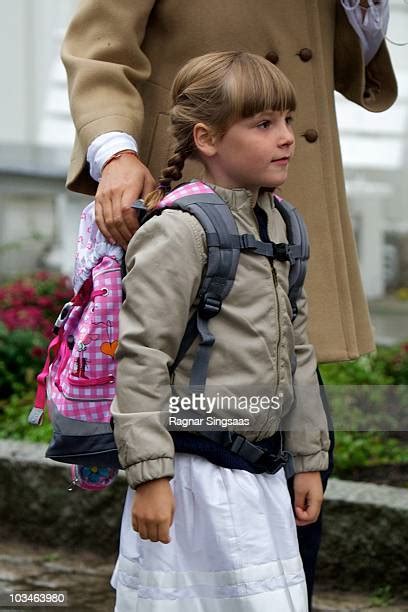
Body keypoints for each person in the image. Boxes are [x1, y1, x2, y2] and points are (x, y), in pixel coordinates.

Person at [109, 50, 329, 612]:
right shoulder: (180, 233)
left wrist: (308, 460)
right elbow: (141, 357)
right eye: (263, 124)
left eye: (286, 120)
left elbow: (299, 353)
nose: (286, 137)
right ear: (206, 138)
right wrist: (150, 478)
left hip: (260, 476)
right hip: (191, 481)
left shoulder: (285, 224)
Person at [61, 0, 397, 365]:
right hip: (192, 178)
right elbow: (100, 49)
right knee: (172, 370)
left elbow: (327, 57)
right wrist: (115, 153)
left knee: (291, 372)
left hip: (293, 194)